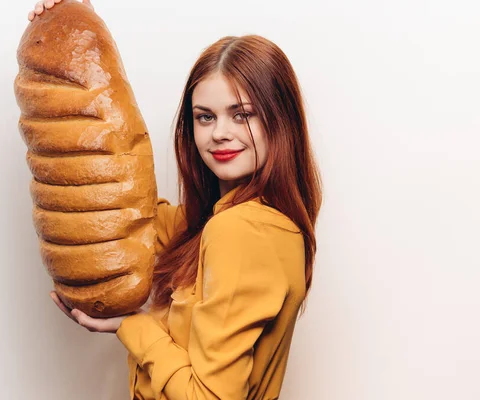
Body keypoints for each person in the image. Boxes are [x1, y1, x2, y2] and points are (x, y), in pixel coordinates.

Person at [29, 1, 323, 398]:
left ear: (280, 120)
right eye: (205, 116)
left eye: (242, 114)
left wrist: (131, 325)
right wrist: (75, 17)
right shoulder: (219, 223)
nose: (220, 132)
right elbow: (129, 212)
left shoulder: (240, 231)